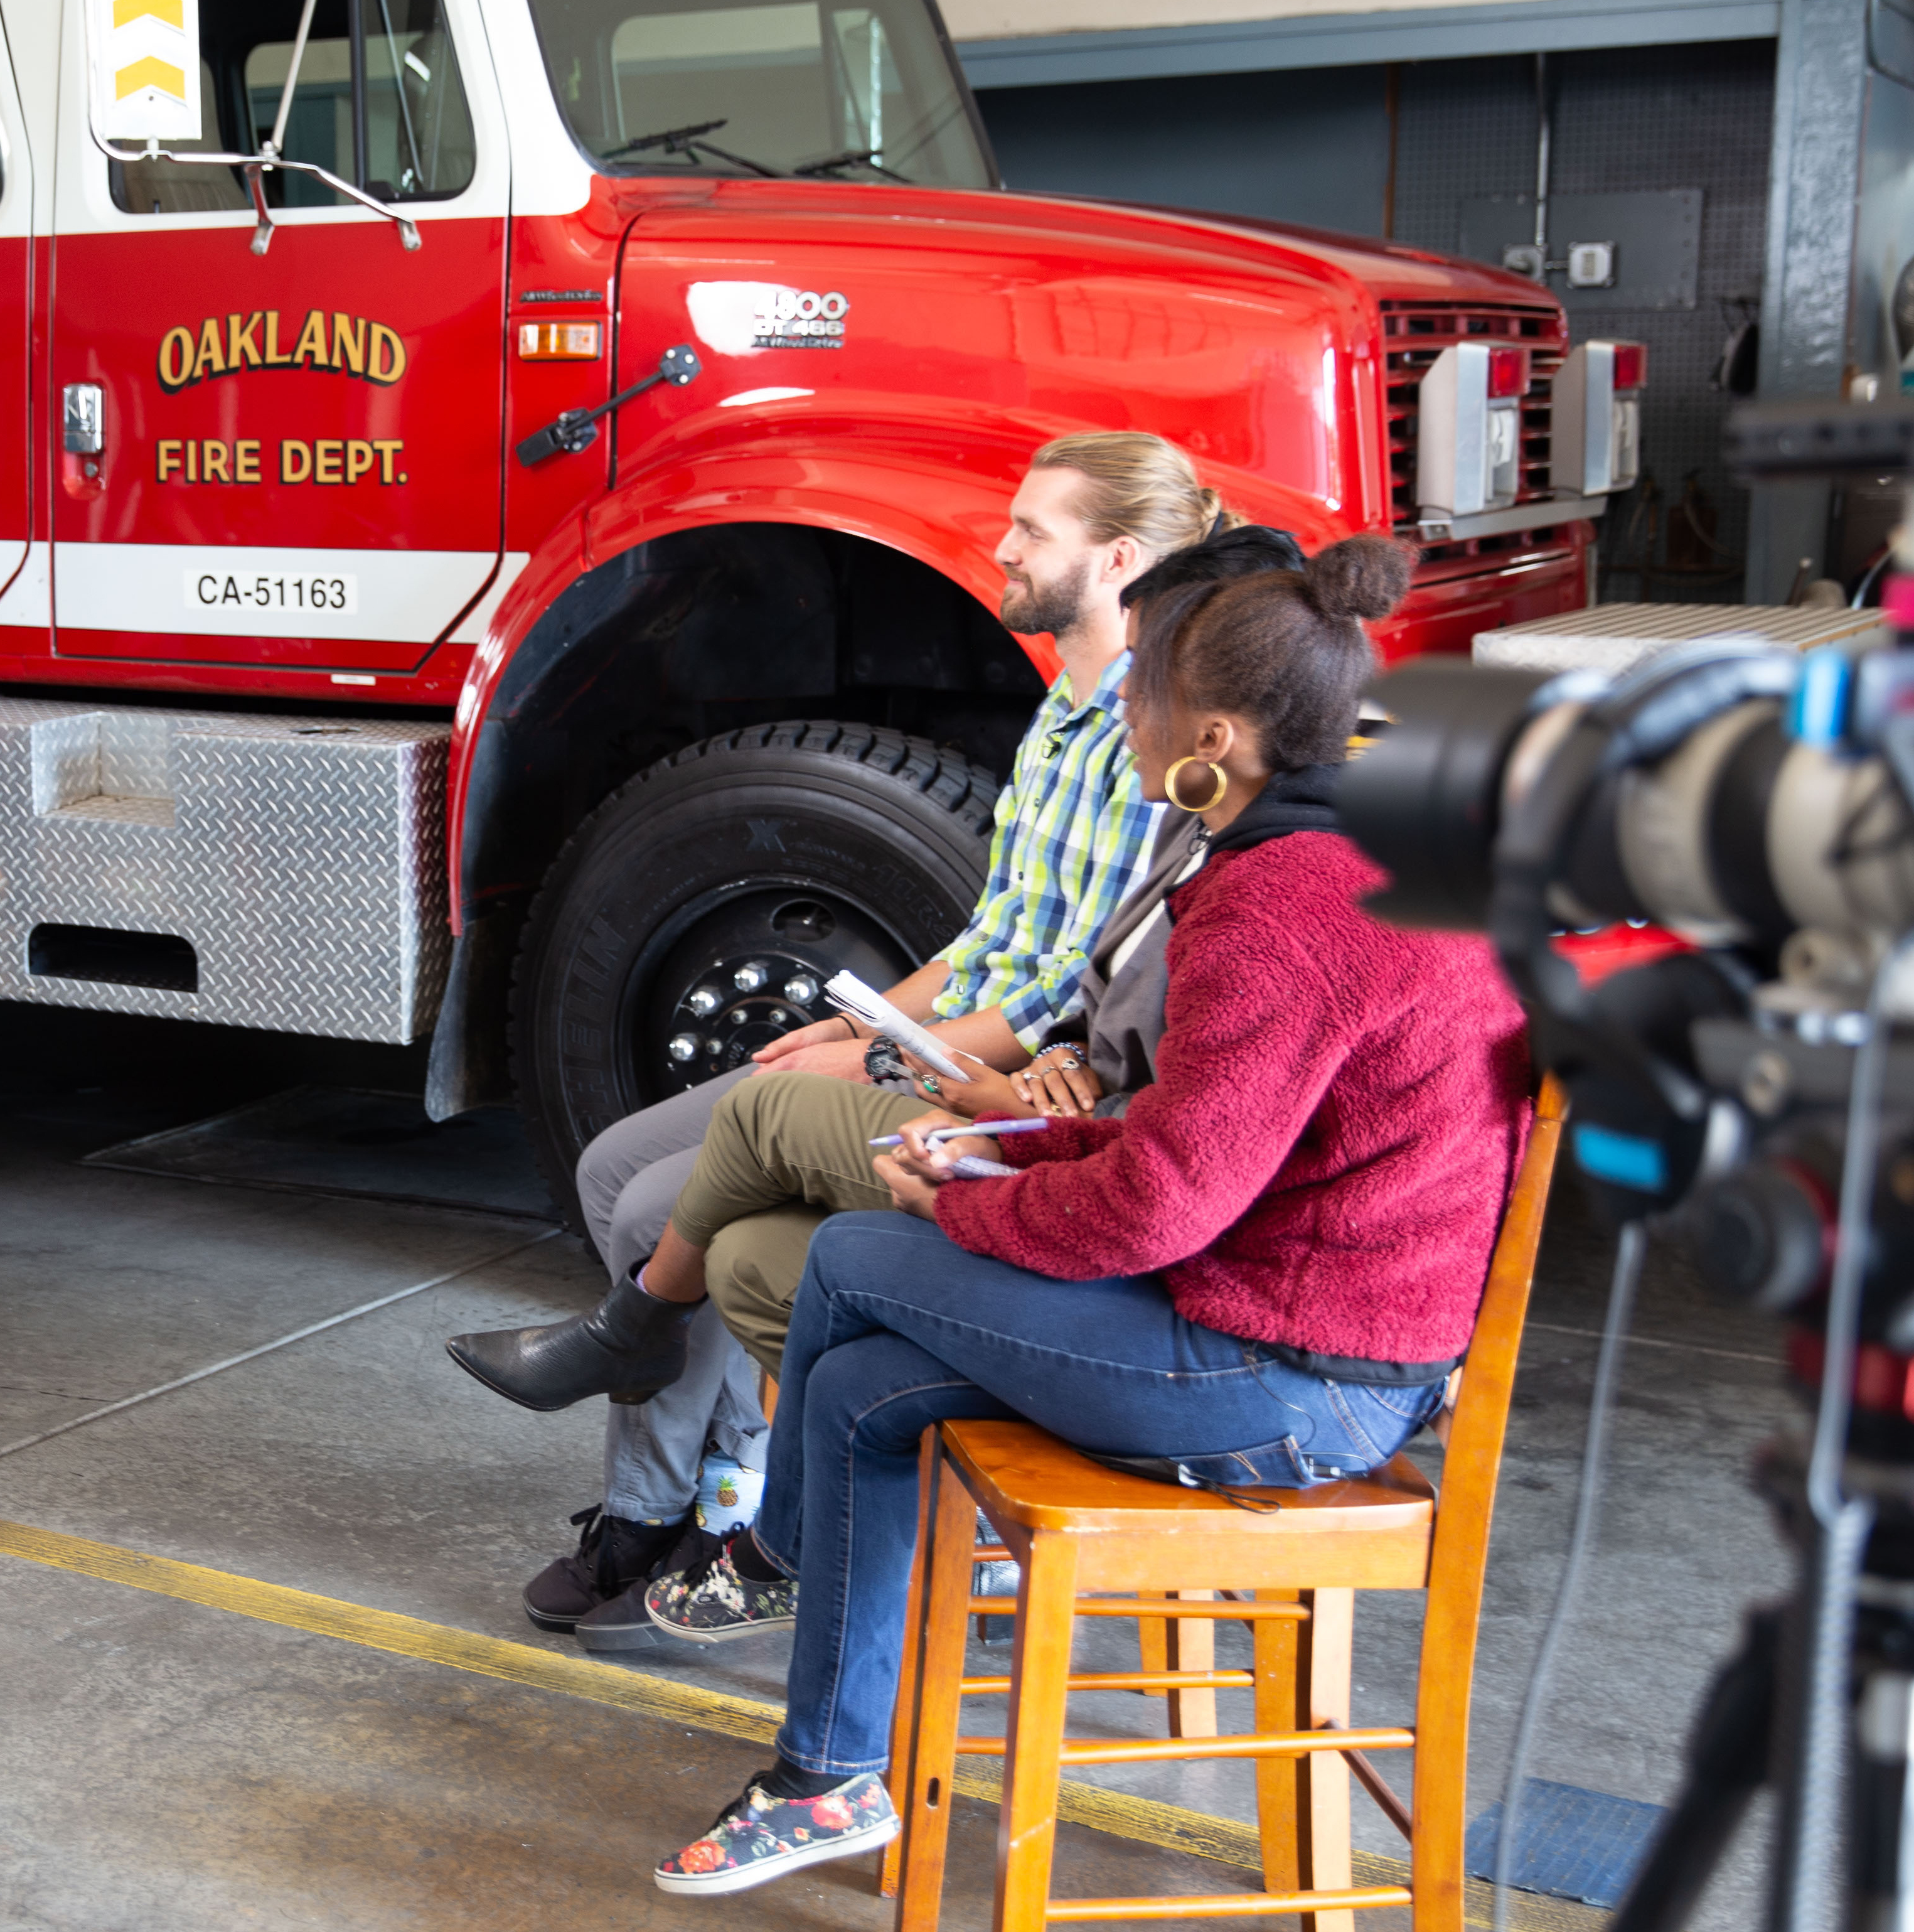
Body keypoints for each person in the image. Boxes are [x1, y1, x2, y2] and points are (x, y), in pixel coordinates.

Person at [626, 536, 1535, 1898]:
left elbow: (1166, 1204)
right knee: (868, 1383)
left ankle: (777, 1555)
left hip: (1298, 1383)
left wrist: (970, 1198)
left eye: (1142, 696)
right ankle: (825, 1778)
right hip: (1307, 1333)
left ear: (1214, 737)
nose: (1121, 712)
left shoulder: (1281, 905)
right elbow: (1201, 1139)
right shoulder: (1368, 844)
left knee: (864, 1254)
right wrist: (1017, 1148)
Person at [444, 432, 1228, 1653]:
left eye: (1033, 529)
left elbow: (1067, 997)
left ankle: (677, 1514)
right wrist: (864, 1014)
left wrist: (884, 1061)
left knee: (663, 1210)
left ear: (1117, 558)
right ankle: (705, 1496)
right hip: (944, 1044)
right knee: (611, 1171)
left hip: (1013, 1095)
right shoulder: (1069, 710)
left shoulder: (1154, 742)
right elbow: (996, 938)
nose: (1002, 546)